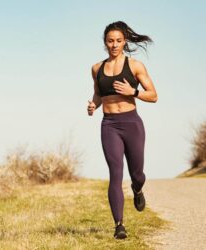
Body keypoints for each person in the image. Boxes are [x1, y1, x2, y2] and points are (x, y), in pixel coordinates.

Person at [87, 21, 158, 239]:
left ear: (124, 41)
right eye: (110, 41)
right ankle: (119, 225)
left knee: (137, 173)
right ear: (105, 43)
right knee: (115, 174)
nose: (114, 45)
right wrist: (93, 105)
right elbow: (99, 94)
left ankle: (137, 189)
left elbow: (153, 95)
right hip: (109, 125)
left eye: (118, 41)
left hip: (132, 124)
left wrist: (132, 92)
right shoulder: (97, 68)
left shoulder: (135, 66)